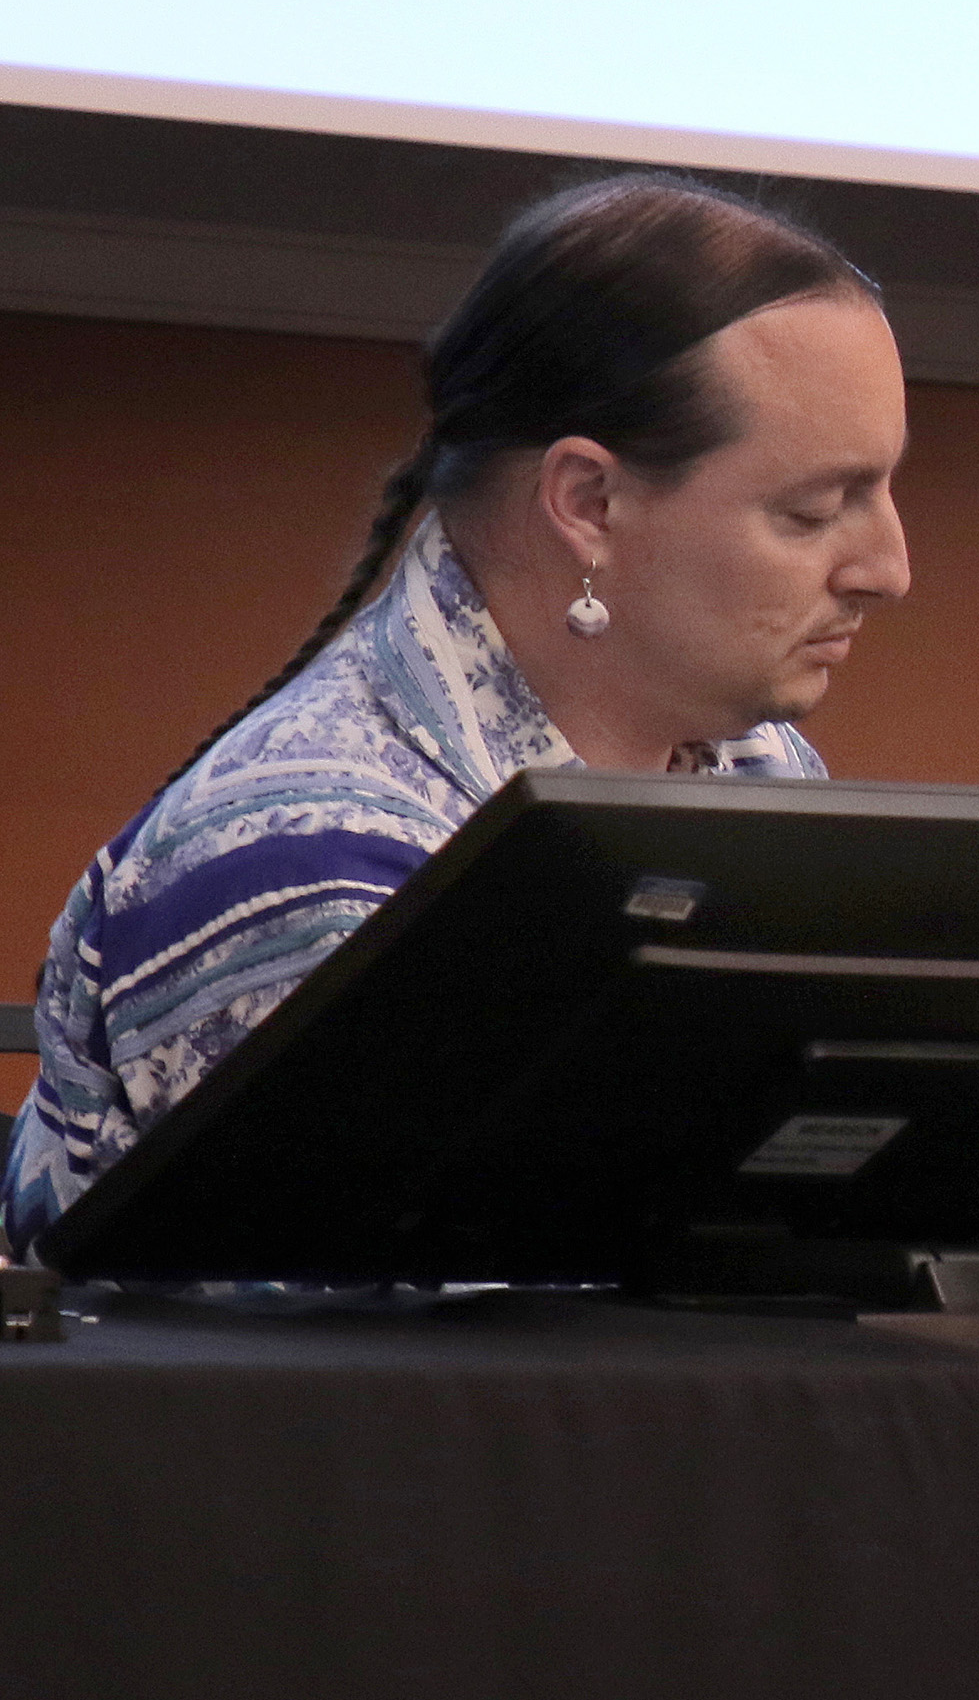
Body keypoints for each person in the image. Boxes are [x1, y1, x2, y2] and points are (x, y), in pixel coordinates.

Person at [3, 174, 910, 1254]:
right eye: (811, 509)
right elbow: (419, 1364)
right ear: (588, 503)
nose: (889, 568)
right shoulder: (306, 864)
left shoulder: (755, 763)